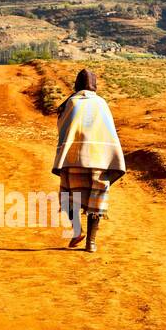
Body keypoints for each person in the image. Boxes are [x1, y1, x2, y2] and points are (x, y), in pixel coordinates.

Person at [52, 68, 125, 253]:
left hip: (73, 158)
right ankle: (91, 243)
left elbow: (62, 127)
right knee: (96, 200)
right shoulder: (102, 104)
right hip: (99, 159)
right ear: (95, 85)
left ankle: (77, 231)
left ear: (76, 84)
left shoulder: (71, 103)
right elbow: (109, 130)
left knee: (68, 197)